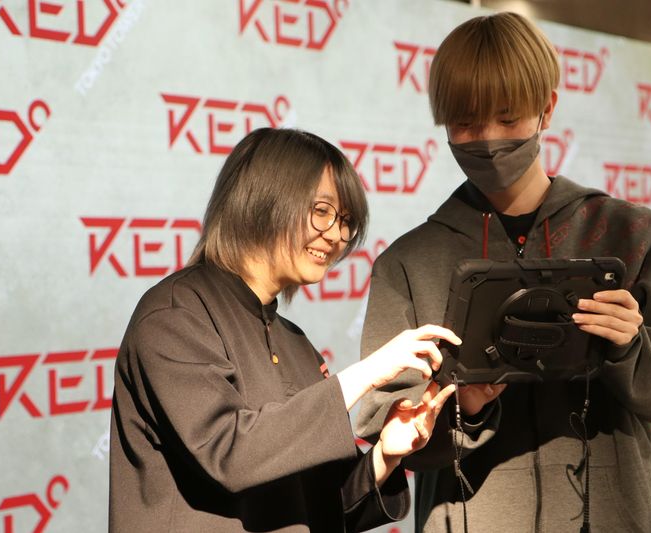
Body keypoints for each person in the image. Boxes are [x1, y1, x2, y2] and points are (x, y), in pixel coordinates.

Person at [356, 12, 651, 533]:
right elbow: (387, 427)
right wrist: (464, 408)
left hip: (609, 516)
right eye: (466, 123)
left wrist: (631, 347)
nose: (488, 140)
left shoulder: (631, 234)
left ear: (546, 109)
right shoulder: (409, 263)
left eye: (508, 120)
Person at [108, 127, 461, 533]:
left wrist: (386, 454)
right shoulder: (176, 313)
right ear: (262, 198)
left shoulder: (294, 342)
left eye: (346, 221)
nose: (336, 236)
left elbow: (323, 506)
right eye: (322, 211)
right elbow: (228, 453)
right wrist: (364, 375)